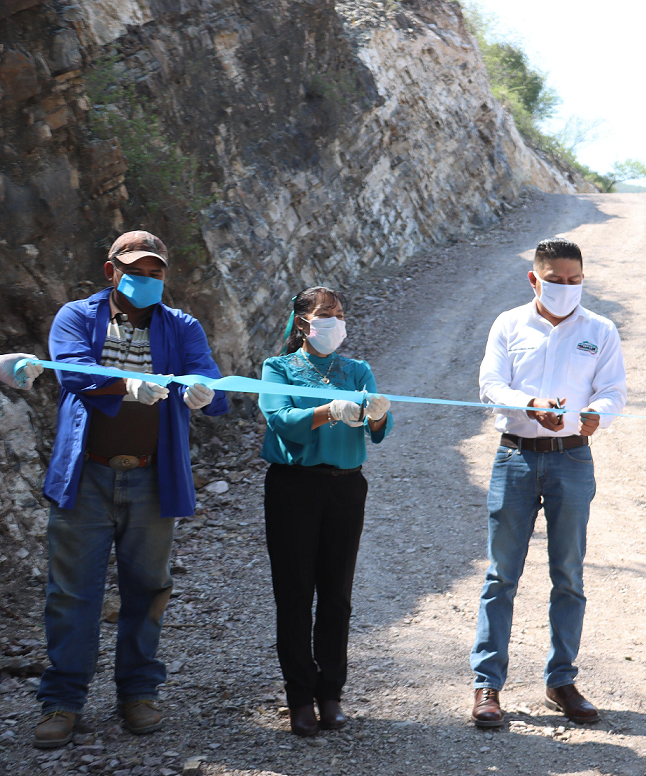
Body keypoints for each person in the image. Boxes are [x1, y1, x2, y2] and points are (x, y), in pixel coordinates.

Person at [34, 231, 229, 748]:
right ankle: (62, 700)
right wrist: (127, 386)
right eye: (134, 270)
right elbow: (73, 373)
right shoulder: (77, 316)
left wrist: (202, 393)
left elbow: (210, 385)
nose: (145, 280)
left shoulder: (181, 325)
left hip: (152, 477)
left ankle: (138, 693)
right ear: (110, 271)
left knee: (149, 590)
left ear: (166, 275)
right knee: (73, 591)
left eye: (155, 272)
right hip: (87, 476)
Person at [470, 237, 626, 728]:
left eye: (574, 281)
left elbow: (613, 390)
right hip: (515, 458)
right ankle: (487, 685)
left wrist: (594, 416)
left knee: (569, 575)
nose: (565, 289)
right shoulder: (508, 324)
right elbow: (490, 385)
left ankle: (561, 681)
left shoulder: (600, 329)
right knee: (502, 575)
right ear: (534, 279)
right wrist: (529, 406)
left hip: (572, 460)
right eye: (555, 281)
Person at [259, 287, 392, 736]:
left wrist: (375, 413)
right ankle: (299, 696)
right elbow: (282, 422)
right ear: (303, 322)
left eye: (339, 312)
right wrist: (329, 410)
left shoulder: (357, 369)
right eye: (325, 314)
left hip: (346, 487)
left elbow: (379, 431)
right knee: (294, 593)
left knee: (336, 593)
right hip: (294, 487)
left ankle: (330, 693)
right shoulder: (277, 368)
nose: (335, 320)